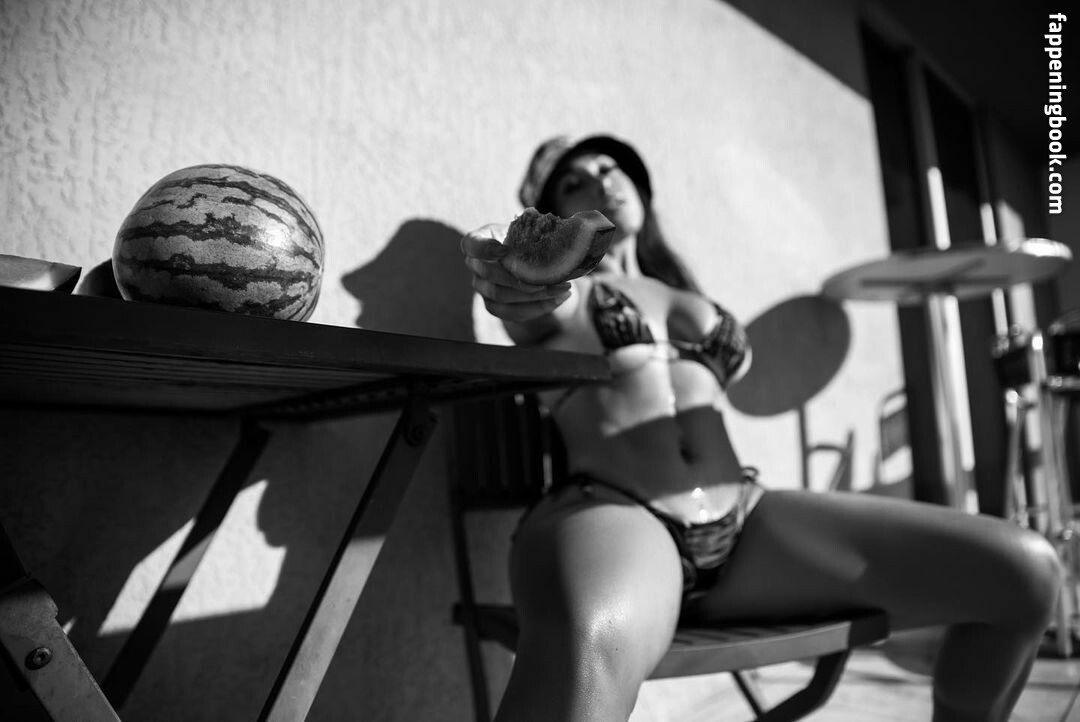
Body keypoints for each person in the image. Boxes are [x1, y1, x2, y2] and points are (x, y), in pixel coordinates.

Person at [460, 133, 1061, 722]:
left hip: (747, 522)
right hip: (617, 516)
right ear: (555, 211)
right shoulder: (571, 297)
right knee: (588, 655)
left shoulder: (684, 293)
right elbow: (525, 295)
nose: (601, 180)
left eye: (609, 167)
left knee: (1023, 573)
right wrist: (507, 268)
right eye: (575, 180)